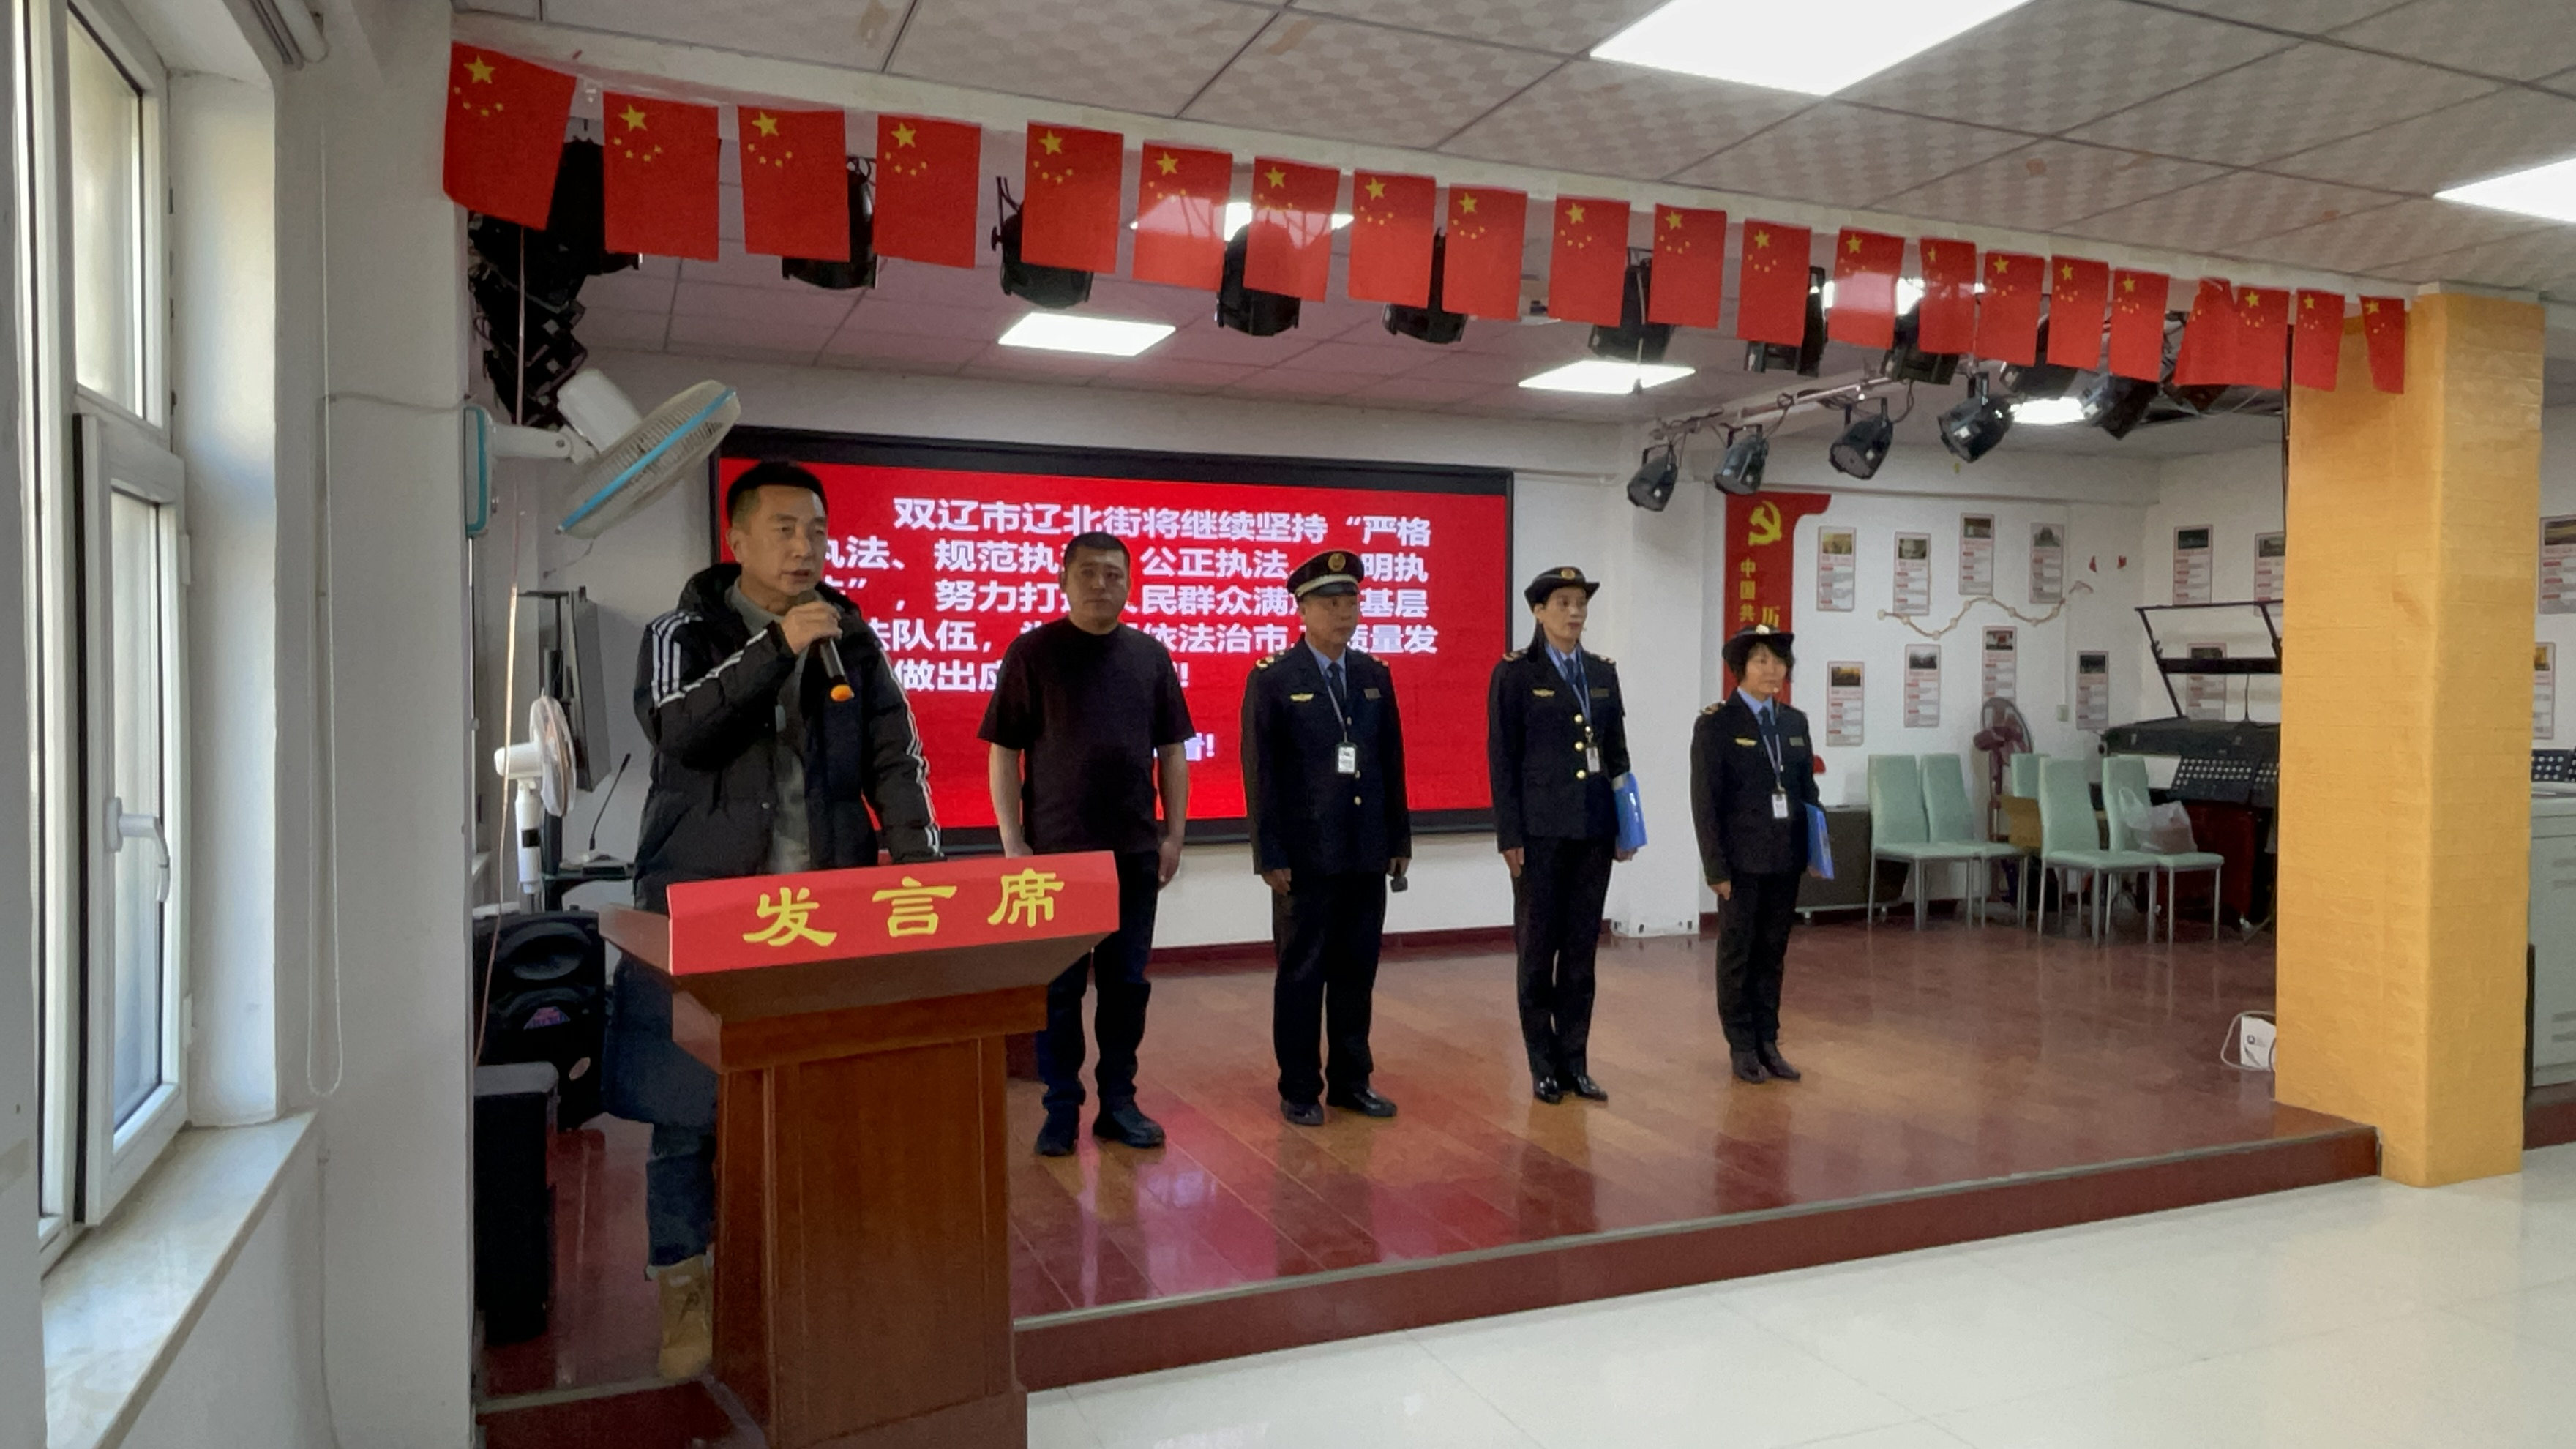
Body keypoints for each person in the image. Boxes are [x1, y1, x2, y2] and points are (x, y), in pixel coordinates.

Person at [607, 460, 939, 1379]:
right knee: (688, 1111)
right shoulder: (681, 631)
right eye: (786, 529)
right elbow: (681, 733)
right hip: (708, 906)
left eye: (819, 530)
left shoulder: (849, 634)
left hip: (823, 909)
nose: (806, 547)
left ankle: (804, 1269)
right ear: (739, 538)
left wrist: (919, 868)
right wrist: (776, 648)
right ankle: (684, 1284)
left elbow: (893, 756)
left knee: (814, 1100)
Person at [982, 531, 1192, 1158]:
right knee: (1059, 989)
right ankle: (1061, 1108)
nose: (1101, 584)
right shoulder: (1033, 653)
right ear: (1065, 581)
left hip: (1134, 850)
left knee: (1126, 985)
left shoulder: (1150, 656)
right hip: (1057, 856)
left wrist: (1174, 834)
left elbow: (1172, 753)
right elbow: (1004, 752)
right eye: (1088, 573)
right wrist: (1012, 842)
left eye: (1113, 574)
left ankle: (1118, 1103)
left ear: (1129, 583)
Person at [1241, 550, 1409, 1127]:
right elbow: (1260, 773)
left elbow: (1390, 763)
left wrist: (1399, 840)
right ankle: (1299, 1088)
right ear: (1303, 610)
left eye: (1351, 602)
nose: (1344, 613)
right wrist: (1269, 853)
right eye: (1331, 603)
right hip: (1305, 856)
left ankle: (1351, 1081)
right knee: (1302, 973)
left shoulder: (1373, 675)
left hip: (1365, 850)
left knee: (1357, 972)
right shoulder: (1274, 678)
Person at [1486, 566, 1634, 1106]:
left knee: (1580, 953)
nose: (1574, 613)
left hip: (1593, 830)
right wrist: (1509, 833)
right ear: (1538, 611)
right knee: (1537, 950)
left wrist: (1627, 824)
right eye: (1563, 603)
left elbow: (1617, 755)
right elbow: (1503, 759)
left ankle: (1576, 1062)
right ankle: (1542, 1065)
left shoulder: (1601, 672)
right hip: (1540, 834)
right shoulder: (1516, 673)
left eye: (1580, 604)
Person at [1690, 624, 1823, 1085]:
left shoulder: (1794, 723)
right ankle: (1742, 1044)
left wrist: (1817, 849)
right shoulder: (1717, 724)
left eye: (1779, 661)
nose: (1773, 670)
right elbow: (1705, 802)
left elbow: (1807, 792)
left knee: (1773, 951)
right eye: (1761, 660)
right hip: (1740, 861)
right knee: (1738, 952)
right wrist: (1715, 866)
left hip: (1785, 857)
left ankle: (1769, 1040)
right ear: (1740, 669)